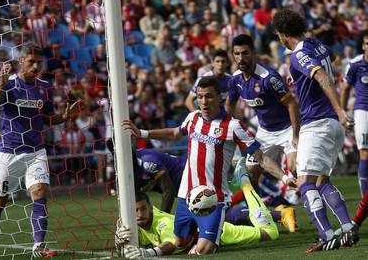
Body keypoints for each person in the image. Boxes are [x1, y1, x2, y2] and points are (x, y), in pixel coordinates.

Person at [123, 76, 295, 255]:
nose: (203, 101)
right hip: (186, 195)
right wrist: (142, 133)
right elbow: (174, 133)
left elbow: (261, 157)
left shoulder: (233, 126)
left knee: (205, 249)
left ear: (219, 98)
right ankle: (211, 235)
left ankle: (261, 225)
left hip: (214, 198)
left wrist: (284, 177)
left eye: (209, 96)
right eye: (200, 96)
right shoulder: (193, 118)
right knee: (180, 242)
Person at [271, 9, 359, 253]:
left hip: (318, 123)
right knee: (321, 181)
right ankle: (346, 226)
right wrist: (300, 80)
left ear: (282, 34)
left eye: (278, 34)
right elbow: (333, 62)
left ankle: (326, 235)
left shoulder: (298, 54)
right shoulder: (316, 44)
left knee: (305, 183)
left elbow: (320, 75)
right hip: (332, 128)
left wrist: (340, 110)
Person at [0, 44, 81, 259]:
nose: (36, 66)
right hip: (8, 151)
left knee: (39, 192)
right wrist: (0, 85)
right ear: (21, 62)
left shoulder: (44, 86)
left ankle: (39, 246)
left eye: (39, 62)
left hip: (36, 151)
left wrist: (65, 116)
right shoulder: (9, 84)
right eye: (31, 62)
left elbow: (48, 119)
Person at [115, 158, 280, 258]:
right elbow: (137, 244)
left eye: (142, 209)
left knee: (269, 233)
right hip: (200, 229)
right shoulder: (139, 225)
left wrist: (150, 253)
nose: (139, 214)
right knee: (234, 215)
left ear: (150, 208)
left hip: (219, 234)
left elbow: (172, 243)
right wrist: (121, 242)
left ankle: (244, 180)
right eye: (135, 211)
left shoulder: (162, 222)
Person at [227, 34, 300, 179]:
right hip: (265, 131)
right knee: (251, 170)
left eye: (245, 53)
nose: (240, 58)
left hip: (287, 128)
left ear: (253, 53)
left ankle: (314, 194)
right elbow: (229, 105)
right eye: (237, 54)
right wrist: (233, 127)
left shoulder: (268, 77)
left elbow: (292, 104)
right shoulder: (235, 79)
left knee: (294, 168)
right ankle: (260, 200)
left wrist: (295, 135)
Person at [341, 29, 368, 229]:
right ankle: (364, 197)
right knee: (364, 153)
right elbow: (346, 88)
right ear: (363, 45)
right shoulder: (356, 64)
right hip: (362, 111)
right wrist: (343, 111)